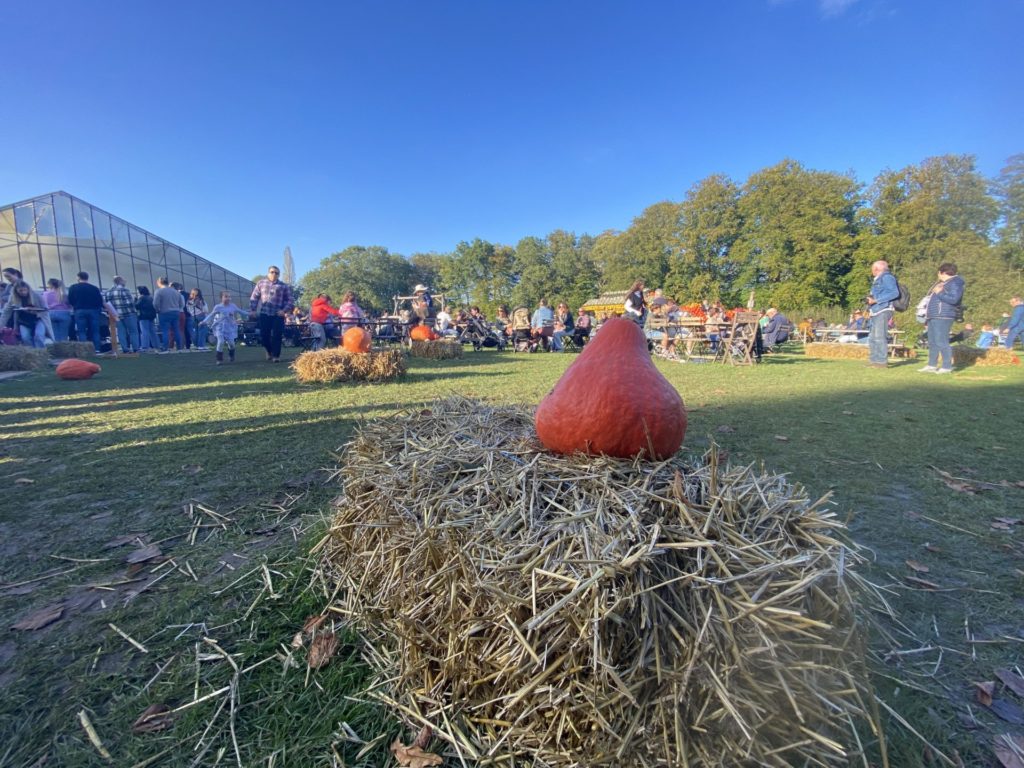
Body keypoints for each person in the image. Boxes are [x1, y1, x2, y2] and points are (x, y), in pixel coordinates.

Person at [919, 263, 965, 374]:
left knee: (941, 341)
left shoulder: (956, 282)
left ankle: (946, 366)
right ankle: (931, 365)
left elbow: (954, 299)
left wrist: (939, 292)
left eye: (938, 272)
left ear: (942, 272)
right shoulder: (944, 283)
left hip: (944, 315)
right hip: (934, 315)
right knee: (932, 341)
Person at [249, 265, 294, 362]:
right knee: (264, 335)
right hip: (264, 313)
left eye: (276, 273)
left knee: (277, 335)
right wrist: (253, 309)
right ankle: (269, 351)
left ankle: (276, 356)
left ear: (279, 275)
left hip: (278, 314)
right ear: (268, 273)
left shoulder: (283, 286)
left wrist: (284, 310)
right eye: (272, 272)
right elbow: (254, 297)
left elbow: (290, 300)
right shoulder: (261, 283)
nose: (274, 274)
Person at [865, 260, 899, 369]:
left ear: (876, 269)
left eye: (873, 269)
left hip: (883, 309)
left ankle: (881, 362)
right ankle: (874, 360)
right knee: (873, 337)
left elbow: (894, 293)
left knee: (879, 336)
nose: (872, 271)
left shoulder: (887, 277)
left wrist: (876, 300)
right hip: (876, 310)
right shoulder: (878, 279)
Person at [0, 281, 51, 347]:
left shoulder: (36, 296)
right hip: (23, 321)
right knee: (25, 338)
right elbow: (6, 312)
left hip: (38, 319)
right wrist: (1, 325)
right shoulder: (13, 298)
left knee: (39, 336)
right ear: (16, 291)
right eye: (20, 291)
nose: (23, 292)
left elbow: (45, 308)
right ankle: (32, 353)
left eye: (25, 290)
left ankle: (41, 353)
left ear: (28, 289)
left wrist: (32, 309)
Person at [203, 291, 249, 364]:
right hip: (220, 327)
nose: (228, 298)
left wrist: (250, 314)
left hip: (230, 327)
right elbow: (211, 315)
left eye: (229, 297)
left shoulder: (233, 306)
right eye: (226, 296)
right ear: (221, 298)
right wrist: (204, 321)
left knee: (231, 344)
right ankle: (219, 359)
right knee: (220, 342)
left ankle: (231, 354)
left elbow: (241, 311)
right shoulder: (218, 307)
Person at [67, 271, 105, 353]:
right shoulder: (94, 288)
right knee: (95, 331)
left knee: (81, 331)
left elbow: (70, 300)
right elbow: (99, 300)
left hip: (79, 310)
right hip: (93, 311)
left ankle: (84, 350)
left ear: (78, 277)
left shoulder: (73, 287)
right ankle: (97, 349)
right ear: (87, 278)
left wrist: (75, 305)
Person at [105, 276, 140, 353]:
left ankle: (125, 349)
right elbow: (130, 303)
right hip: (128, 313)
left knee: (121, 332)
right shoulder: (125, 290)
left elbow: (107, 304)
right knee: (133, 331)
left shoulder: (108, 292)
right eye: (124, 280)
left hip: (116, 315)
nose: (125, 281)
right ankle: (136, 348)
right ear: (120, 281)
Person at [154, 276, 185, 353]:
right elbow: (181, 304)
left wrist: (158, 310)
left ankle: (165, 348)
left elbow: (155, 303)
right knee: (176, 330)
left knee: (165, 331)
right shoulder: (176, 292)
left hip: (164, 312)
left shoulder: (159, 291)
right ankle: (179, 348)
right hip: (176, 312)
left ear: (159, 282)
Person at [136, 286, 158, 352]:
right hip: (151, 316)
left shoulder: (141, 298)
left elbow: (137, 306)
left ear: (140, 291)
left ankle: (145, 346)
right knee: (152, 331)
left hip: (143, 316)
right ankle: (156, 345)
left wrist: (135, 300)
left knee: (144, 331)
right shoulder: (151, 297)